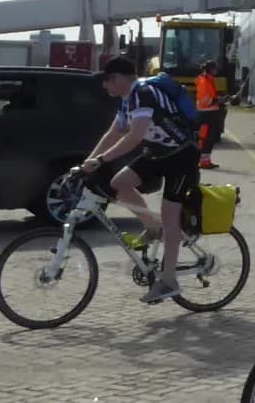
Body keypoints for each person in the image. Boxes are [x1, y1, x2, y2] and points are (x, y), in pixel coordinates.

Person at [80, 56, 201, 304]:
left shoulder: (143, 93)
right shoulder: (127, 101)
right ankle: (151, 227)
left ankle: (169, 281)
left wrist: (100, 161)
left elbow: (134, 137)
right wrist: (88, 162)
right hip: (157, 153)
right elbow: (114, 133)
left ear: (123, 78)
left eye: (109, 80)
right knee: (119, 184)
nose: (106, 86)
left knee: (170, 215)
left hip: (182, 156)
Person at [194, 61, 223, 169]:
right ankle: (203, 161)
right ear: (211, 69)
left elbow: (210, 96)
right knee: (206, 138)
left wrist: (218, 99)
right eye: (215, 68)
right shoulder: (204, 81)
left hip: (209, 113)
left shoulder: (207, 80)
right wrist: (217, 100)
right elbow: (206, 99)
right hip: (207, 114)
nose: (217, 70)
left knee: (209, 138)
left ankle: (206, 160)